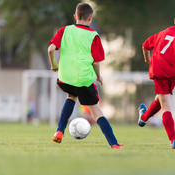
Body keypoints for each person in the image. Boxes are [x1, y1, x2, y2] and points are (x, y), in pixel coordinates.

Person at [48, 3, 122, 149]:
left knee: (71, 96)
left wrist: (53, 65)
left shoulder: (65, 30)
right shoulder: (93, 36)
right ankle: (114, 143)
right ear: (90, 18)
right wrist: (99, 76)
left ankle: (59, 131)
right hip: (83, 80)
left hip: (65, 78)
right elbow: (96, 63)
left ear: (75, 16)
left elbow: (50, 49)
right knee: (96, 112)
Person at [138, 6, 175, 149]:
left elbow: (145, 46)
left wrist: (148, 59)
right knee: (163, 100)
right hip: (174, 73)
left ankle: (171, 139)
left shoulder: (162, 33)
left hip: (160, 70)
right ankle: (145, 119)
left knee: (164, 102)